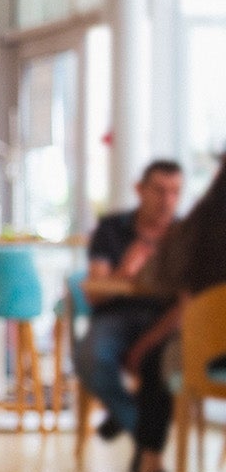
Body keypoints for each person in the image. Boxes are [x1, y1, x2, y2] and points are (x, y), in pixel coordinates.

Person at [114, 154, 226, 472]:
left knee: (155, 362)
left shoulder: (198, 227)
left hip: (206, 358)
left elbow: (161, 283)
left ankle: (149, 470)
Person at [72, 160, 184, 450]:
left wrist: (145, 344)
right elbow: (95, 293)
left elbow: (188, 301)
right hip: (116, 317)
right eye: (159, 191)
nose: (167, 201)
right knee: (91, 357)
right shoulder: (112, 228)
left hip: (166, 321)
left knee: (163, 364)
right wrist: (125, 271)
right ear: (140, 190)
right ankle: (140, 427)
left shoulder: (183, 235)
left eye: (174, 192)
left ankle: (138, 442)